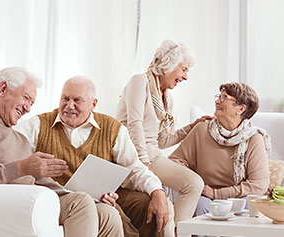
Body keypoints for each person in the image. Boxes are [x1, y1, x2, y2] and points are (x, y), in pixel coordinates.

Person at [0, 67, 121, 237]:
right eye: (26, 98)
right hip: (4, 205)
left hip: (34, 201)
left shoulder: (18, 137)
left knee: (107, 215)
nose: (28, 108)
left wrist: (93, 197)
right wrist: (22, 167)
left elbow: (41, 181)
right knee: (80, 203)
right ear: (3, 89)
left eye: (32, 103)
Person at [15, 76, 175, 237]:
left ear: (93, 104)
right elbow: (9, 148)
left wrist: (157, 191)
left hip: (107, 197)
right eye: (65, 98)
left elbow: (134, 168)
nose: (69, 106)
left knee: (159, 205)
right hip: (64, 200)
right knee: (108, 213)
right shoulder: (37, 125)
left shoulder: (112, 128)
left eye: (77, 100)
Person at [116, 40, 211, 225]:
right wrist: (143, 161)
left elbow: (162, 140)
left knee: (193, 183)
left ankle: (177, 231)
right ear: (168, 64)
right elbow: (134, 124)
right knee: (193, 184)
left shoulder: (166, 97)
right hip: (132, 153)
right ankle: (179, 232)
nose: (185, 77)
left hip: (152, 153)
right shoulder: (139, 82)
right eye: (183, 69)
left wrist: (192, 127)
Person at [169, 82, 271, 216]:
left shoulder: (253, 138)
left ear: (240, 109)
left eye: (224, 97)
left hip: (240, 198)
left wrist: (217, 193)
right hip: (204, 196)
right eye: (218, 96)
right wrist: (196, 184)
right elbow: (175, 161)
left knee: (250, 206)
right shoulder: (201, 129)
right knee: (198, 205)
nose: (217, 101)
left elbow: (258, 185)